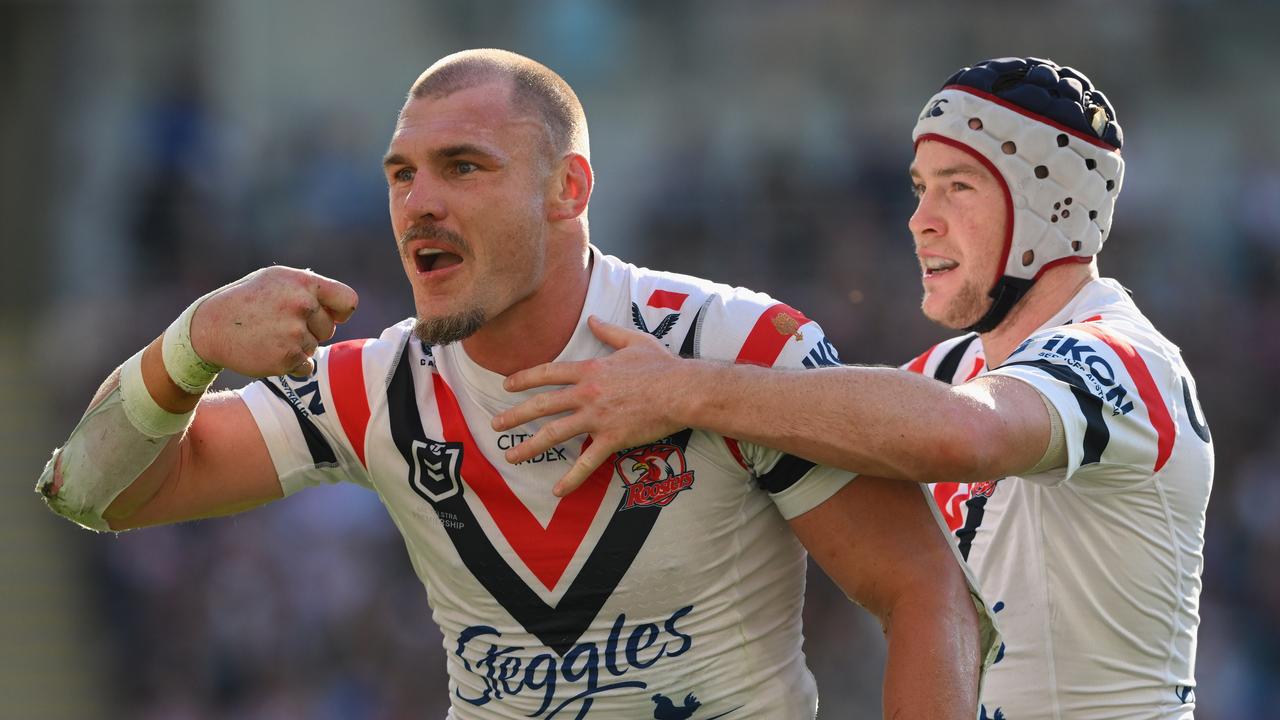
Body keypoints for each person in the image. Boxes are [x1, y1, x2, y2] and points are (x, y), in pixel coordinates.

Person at [37, 49, 995, 719]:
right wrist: (192, 341)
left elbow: (924, 593)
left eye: (463, 167)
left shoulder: (726, 342)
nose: (421, 202)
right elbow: (91, 491)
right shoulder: (374, 388)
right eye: (401, 174)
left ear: (568, 189)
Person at [495, 57, 1214, 719]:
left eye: (957, 187)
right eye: (919, 188)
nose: (920, 220)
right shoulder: (944, 375)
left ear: (1047, 208)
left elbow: (966, 435)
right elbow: (800, 425)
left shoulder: (1123, 360)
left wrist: (683, 387)